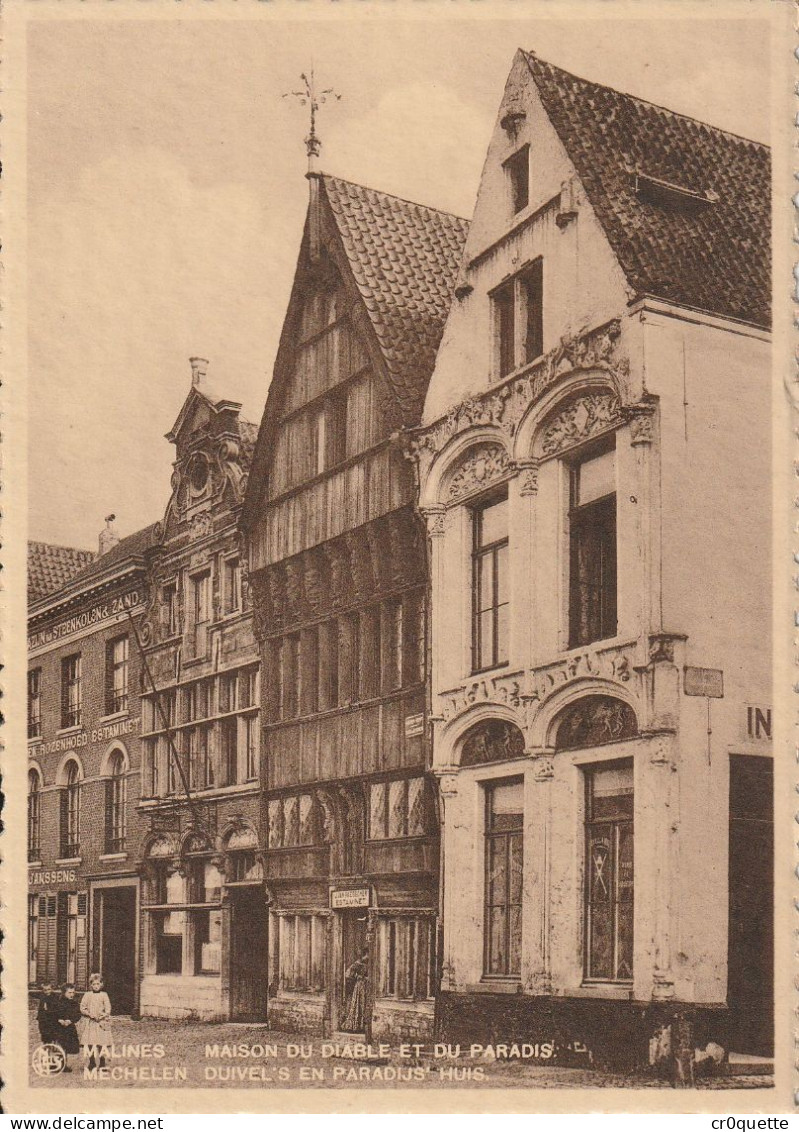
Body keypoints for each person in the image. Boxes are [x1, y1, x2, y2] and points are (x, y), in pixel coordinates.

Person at [80, 972, 112, 1070]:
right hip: (91, 1023)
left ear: (101, 984)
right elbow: (82, 1007)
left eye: (98, 984)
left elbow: (108, 1008)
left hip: (101, 1022)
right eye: (94, 984)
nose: (96, 986)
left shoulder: (104, 995)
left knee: (102, 1043)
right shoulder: (87, 995)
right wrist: (90, 1014)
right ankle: (92, 1062)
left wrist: (103, 1015)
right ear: (91, 985)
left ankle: (102, 1063)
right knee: (90, 1042)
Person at [54, 984, 81, 1072]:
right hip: (59, 1027)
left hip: (69, 1028)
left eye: (73, 992)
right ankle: (58, 1064)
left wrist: (70, 1020)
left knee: (66, 1046)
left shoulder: (74, 1003)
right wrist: (59, 1019)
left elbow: (77, 1014)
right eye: (69, 992)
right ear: (64, 993)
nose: (71, 995)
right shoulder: (57, 1002)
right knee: (59, 1045)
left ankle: (63, 1065)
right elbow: (53, 1012)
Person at [341, 950, 369, 1033]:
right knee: (358, 1003)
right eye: (367, 955)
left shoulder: (367, 964)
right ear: (364, 955)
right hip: (360, 986)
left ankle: (362, 1025)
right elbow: (348, 974)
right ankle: (354, 1025)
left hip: (366, 986)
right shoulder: (357, 964)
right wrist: (359, 977)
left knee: (363, 1004)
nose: (368, 957)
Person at [36, 982, 59, 1046]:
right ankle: (46, 1049)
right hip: (43, 1021)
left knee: (53, 1037)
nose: (47, 991)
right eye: (45, 990)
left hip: (52, 1020)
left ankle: (53, 1049)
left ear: (52, 989)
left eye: (49, 989)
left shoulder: (55, 998)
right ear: (43, 990)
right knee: (45, 1037)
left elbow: (56, 1010)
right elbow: (41, 1011)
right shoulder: (42, 997)